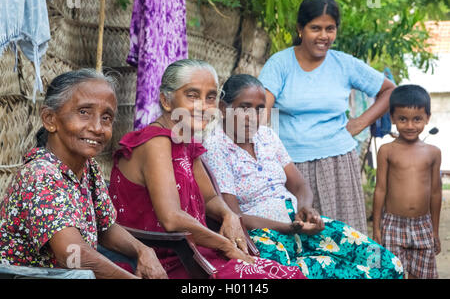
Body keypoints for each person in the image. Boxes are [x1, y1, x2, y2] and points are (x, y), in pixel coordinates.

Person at [108, 59, 305, 279]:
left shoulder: (186, 141)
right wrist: (225, 246)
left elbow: (210, 198)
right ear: (166, 100)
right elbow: (171, 218)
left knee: (291, 274)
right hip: (169, 261)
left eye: (210, 97)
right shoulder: (155, 142)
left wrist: (228, 215)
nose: (203, 106)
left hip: (196, 253)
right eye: (192, 96)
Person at [202, 74, 403, 279]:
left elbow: (298, 184)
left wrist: (305, 208)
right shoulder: (215, 147)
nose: (253, 116)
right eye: (244, 107)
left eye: (259, 109)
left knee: (386, 263)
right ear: (223, 108)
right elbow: (234, 216)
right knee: (309, 274)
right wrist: (287, 228)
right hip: (261, 236)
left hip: (298, 225)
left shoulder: (267, 135)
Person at [0, 69, 167, 279]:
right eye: (84, 112)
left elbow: (105, 227)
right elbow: (71, 254)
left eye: (106, 118)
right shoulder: (40, 174)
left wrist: (143, 250)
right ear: (50, 119)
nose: (98, 128)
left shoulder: (88, 168)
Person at [258, 0, 396, 234]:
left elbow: (389, 90)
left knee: (345, 238)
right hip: (291, 166)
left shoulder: (344, 64)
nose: (323, 36)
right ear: (300, 29)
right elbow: (260, 111)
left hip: (338, 163)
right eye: (315, 28)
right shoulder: (279, 64)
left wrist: (358, 124)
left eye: (329, 29)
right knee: (299, 238)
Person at [373, 85, 442, 279]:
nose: (410, 125)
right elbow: (380, 190)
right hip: (393, 223)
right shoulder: (386, 150)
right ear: (393, 118)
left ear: (427, 118)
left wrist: (434, 231)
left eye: (417, 119)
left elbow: (436, 193)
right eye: (403, 119)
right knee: (391, 272)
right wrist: (376, 229)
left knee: (423, 274)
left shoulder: (433, 152)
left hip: (423, 224)